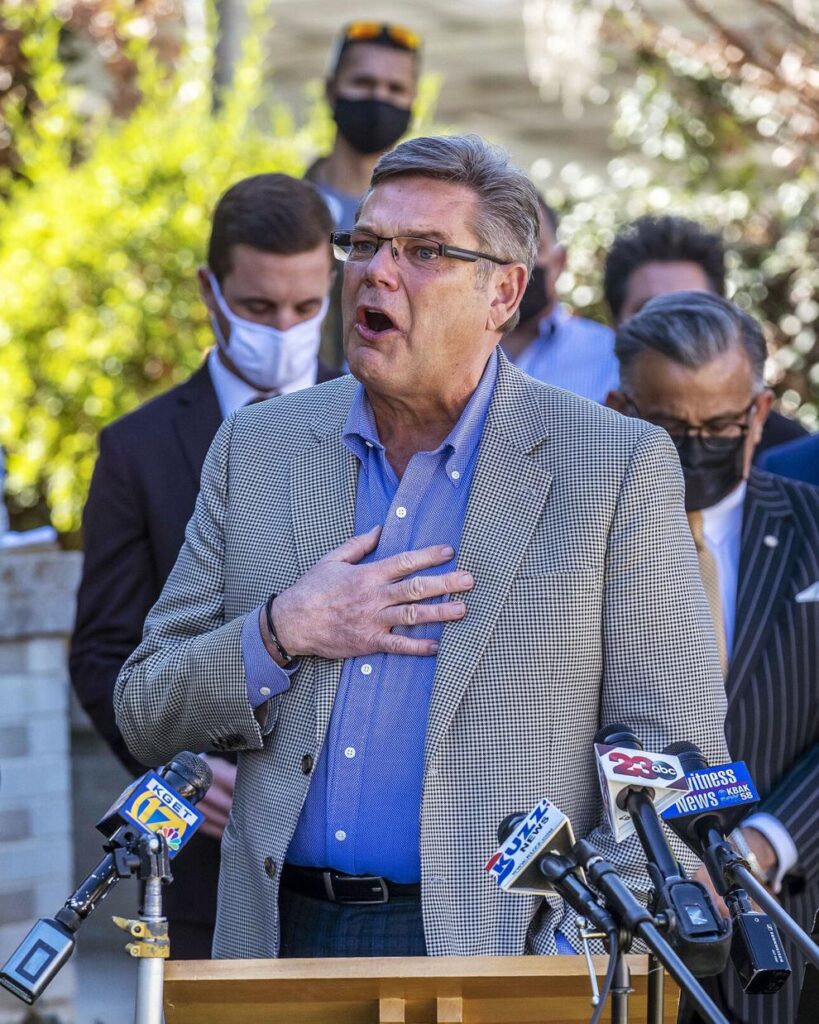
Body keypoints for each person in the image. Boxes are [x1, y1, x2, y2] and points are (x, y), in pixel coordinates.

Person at [114, 134, 728, 961]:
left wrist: (561, 960)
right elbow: (146, 708)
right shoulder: (256, 446)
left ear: (503, 292)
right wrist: (279, 630)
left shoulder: (613, 467)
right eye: (363, 244)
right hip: (280, 941)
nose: (376, 270)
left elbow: (672, 761)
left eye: (424, 251)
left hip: (502, 953)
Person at [70, 173, 339, 958]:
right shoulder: (138, 451)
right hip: (208, 864)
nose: (284, 327)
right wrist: (178, 763)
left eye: (305, 307)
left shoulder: (385, 420)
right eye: (258, 308)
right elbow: (102, 649)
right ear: (209, 291)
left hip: (355, 858)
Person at [608, 291, 819, 1024]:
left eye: (720, 426)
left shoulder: (812, 531)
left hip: (780, 922)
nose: (696, 446)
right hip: (609, 925)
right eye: (668, 426)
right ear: (618, 407)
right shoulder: (566, 542)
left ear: (758, 414)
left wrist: (759, 848)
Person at [603, 214, 807, 457]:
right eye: (650, 311)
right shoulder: (583, 445)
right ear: (616, 325)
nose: (673, 330)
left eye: (692, 311)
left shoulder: (788, 456)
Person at [305, 21, 421, 369]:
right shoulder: (292, 208)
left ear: (413, 102)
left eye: (395, 88)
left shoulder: (428, 220)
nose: (378, 99)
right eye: (363, 83)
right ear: (331, 90)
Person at [503, 196, 617, 402]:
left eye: (531, 247)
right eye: (501, 248)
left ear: (560, 260)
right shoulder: (447, 350)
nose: (516, 264)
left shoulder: (609, 354)